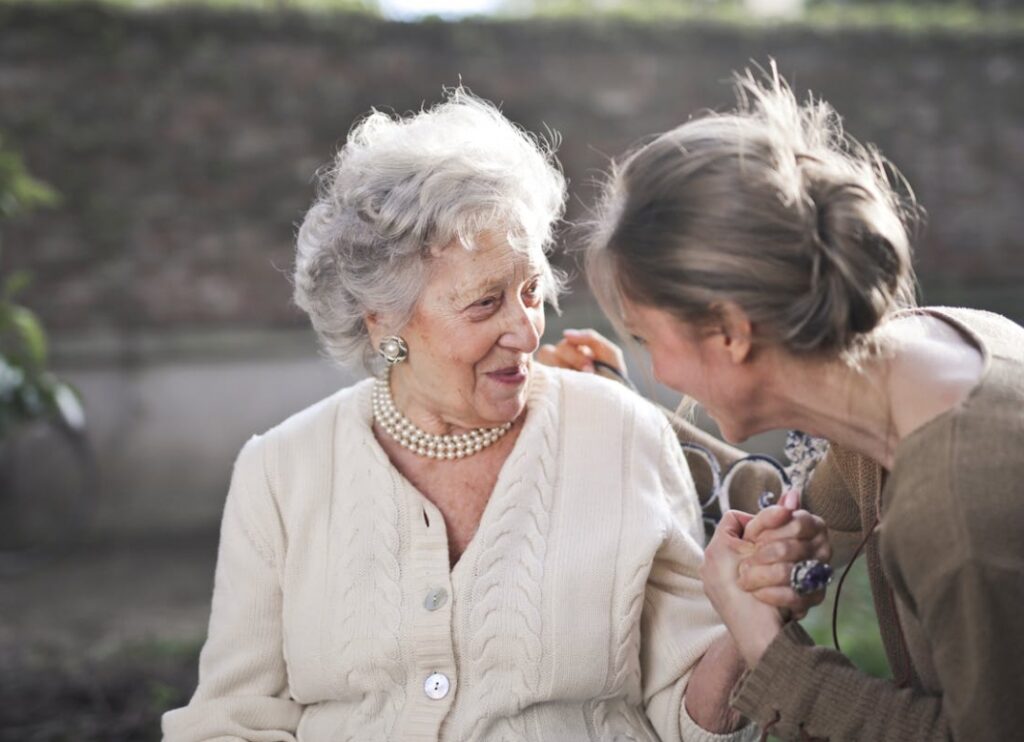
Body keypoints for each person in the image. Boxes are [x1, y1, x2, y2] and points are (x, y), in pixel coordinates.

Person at [161, 90, 765, 741]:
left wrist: (751, 617)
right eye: (484, 304)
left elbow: (688, 717)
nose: (525, 331)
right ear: (383, 319)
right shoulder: (280, 472)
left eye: (531, 292)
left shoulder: (622, 434)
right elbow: (232, 719)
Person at [561, 65, 1024, 740]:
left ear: (730, 332)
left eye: (645, 337)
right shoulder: (913, 357)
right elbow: (807, 514)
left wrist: (771, 653)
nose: (655, 367)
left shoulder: (955, 502)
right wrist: (615, 407)